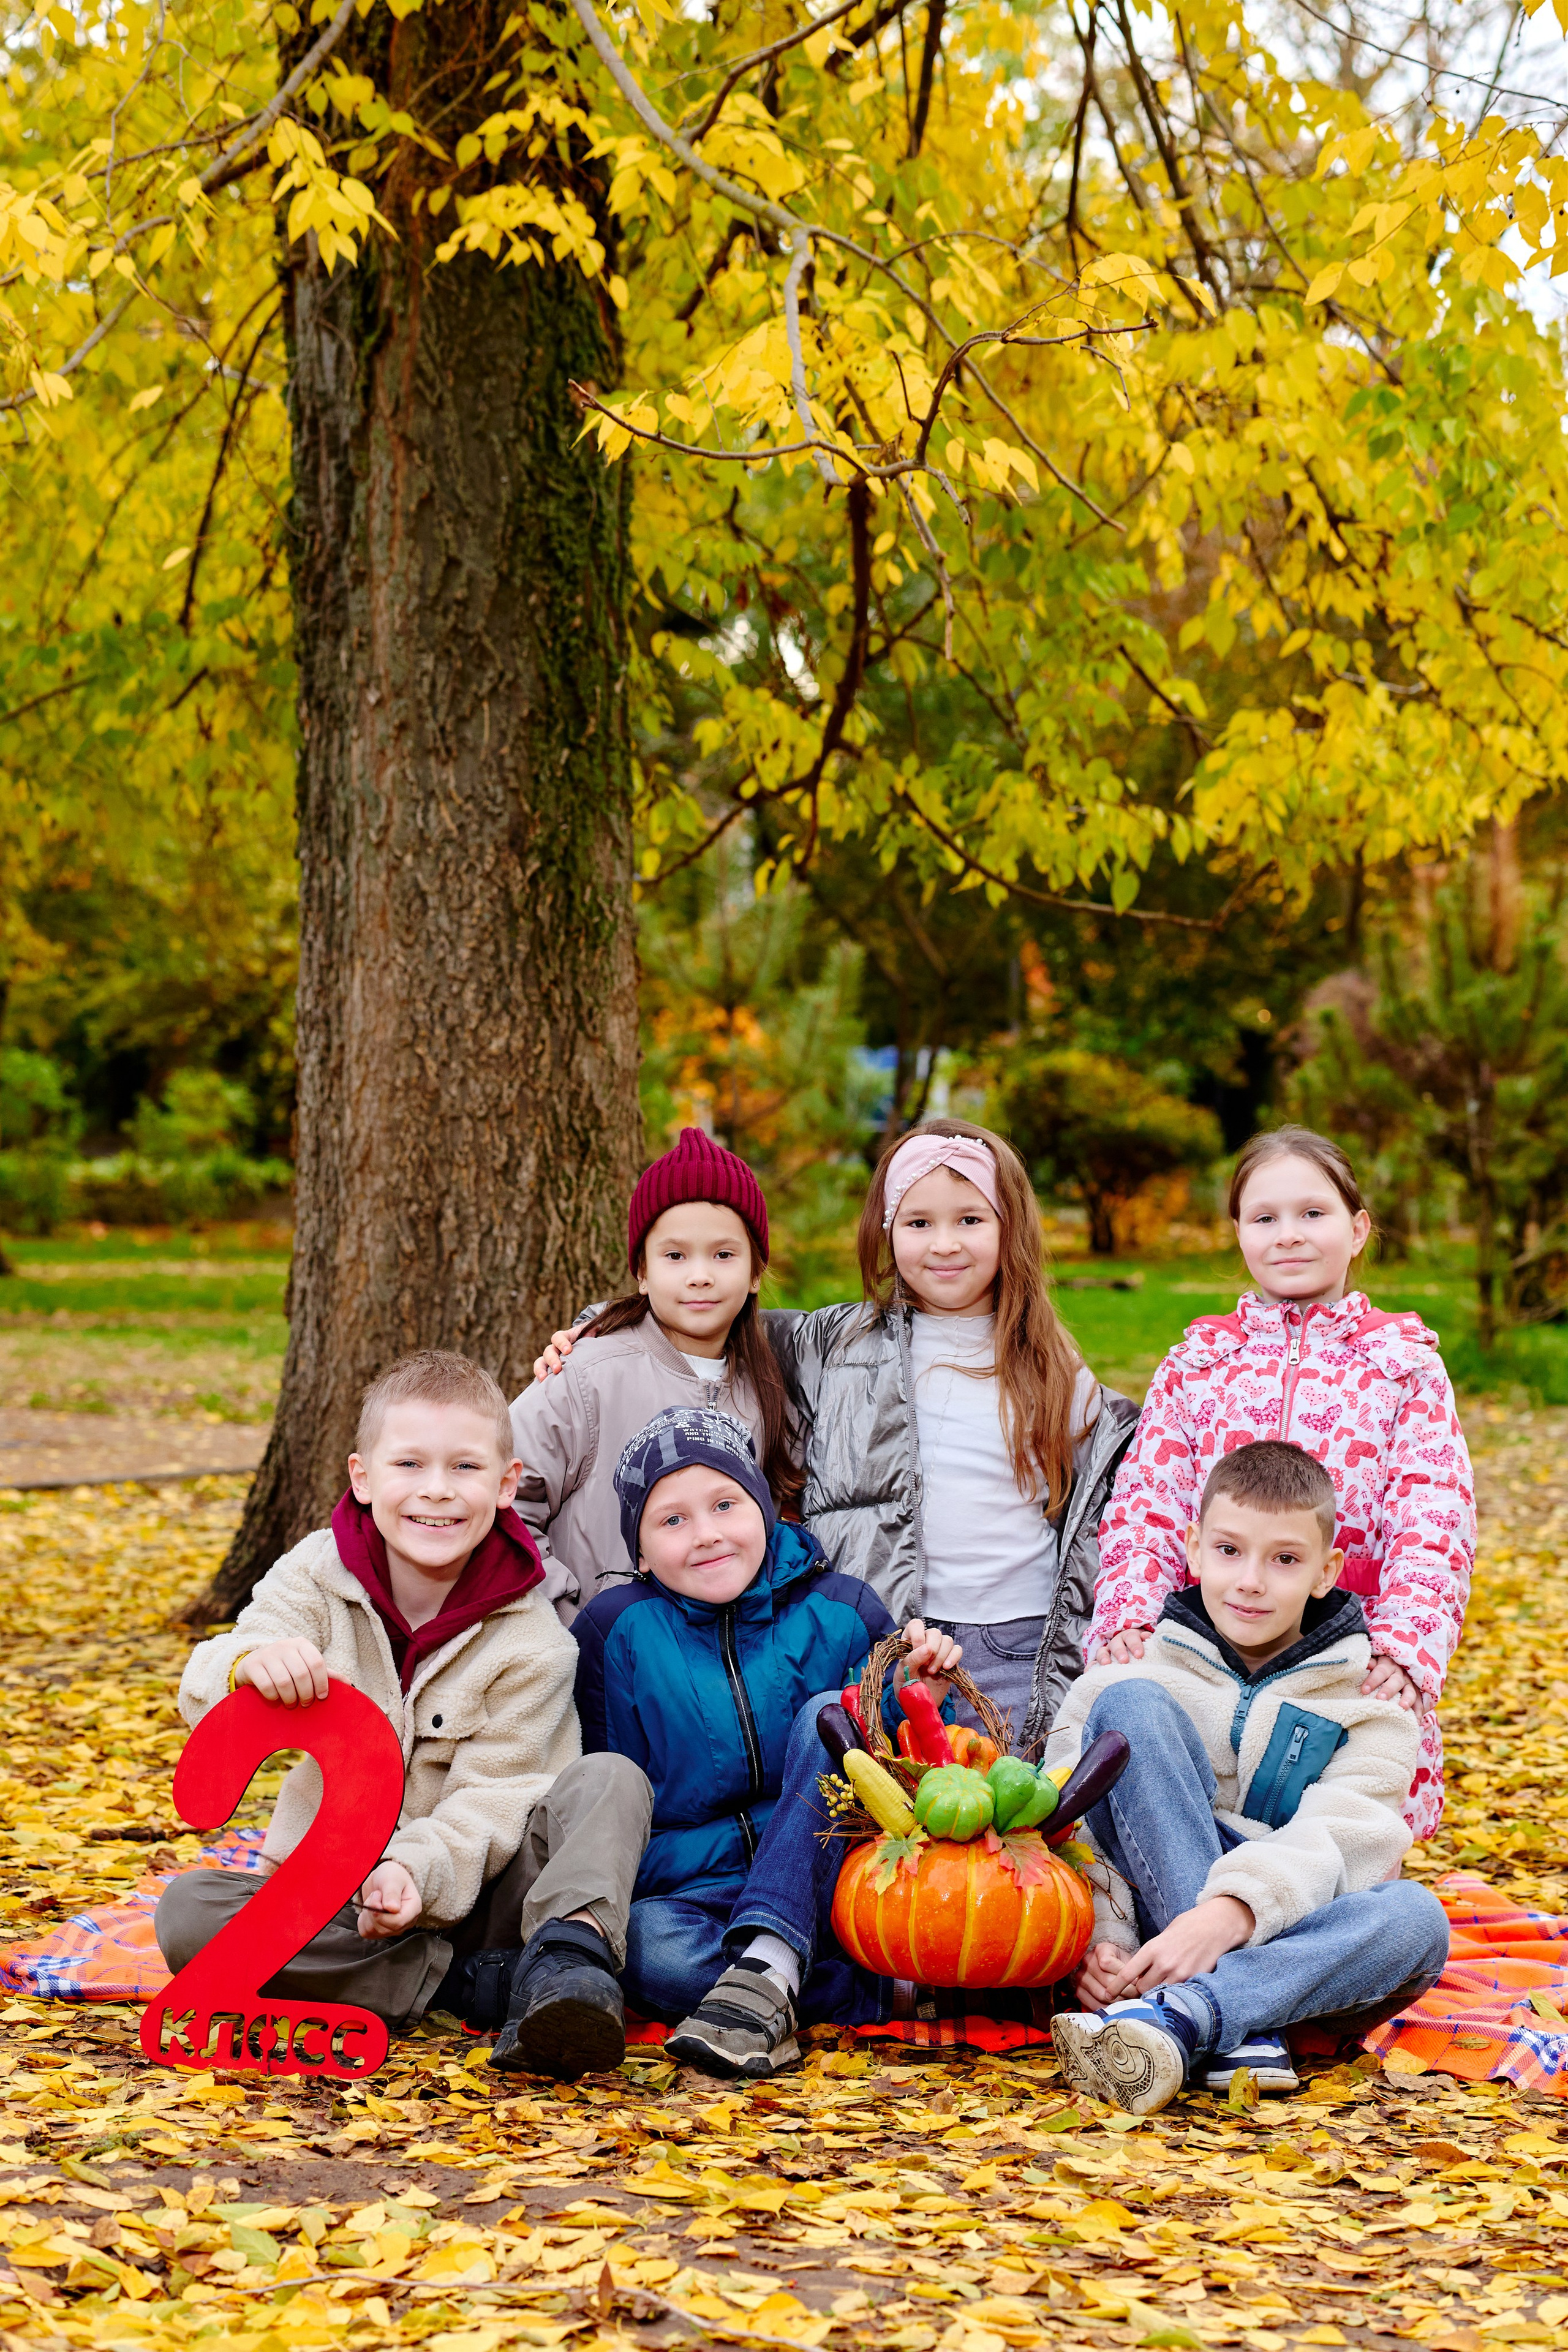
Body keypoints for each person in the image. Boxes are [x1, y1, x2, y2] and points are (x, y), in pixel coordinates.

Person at [540, 1118, 1137, 1749]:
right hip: (886, 1640)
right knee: (891, 1824)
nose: (943, 1244)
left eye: (969, 1220)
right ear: (886, 1231)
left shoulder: (1051, 1365)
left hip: (1019, 1638)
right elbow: (707, 1314)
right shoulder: (836, 1343)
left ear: (1008, 1227)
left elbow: (1102, 1499)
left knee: (1007, 1822)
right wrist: (596, 1327)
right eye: (917, 1223)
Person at [156, 1351, 653, 2081]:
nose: (437, 1493)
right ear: (363, 1478)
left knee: (609, 1780)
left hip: (485, 1895)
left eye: (464, 1468)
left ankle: (562, 1967)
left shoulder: (533, 1636)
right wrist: (247, 1667)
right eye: (410, 1465)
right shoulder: (316, 1573)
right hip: (332, 1898)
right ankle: (471, 1986)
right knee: (190, 1913)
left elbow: (500, 1794)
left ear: (507, 1485)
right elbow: (225, 1661)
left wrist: (417, 1870)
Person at [1090, 1124, 1475, 1838]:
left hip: (1345, 1650)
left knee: (1331, 1830)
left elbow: (1434, 1518)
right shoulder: (1199, 1365)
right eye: (1264, 1218)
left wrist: (1404, 1647)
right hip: (1212, 1634)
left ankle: (1327, 1921)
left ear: (1357, 1229)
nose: (1288, 1235)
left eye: (1313, 1214)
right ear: (1237, 1232)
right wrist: (1131, 1615)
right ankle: (1198, 1911)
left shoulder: (1401, 1366)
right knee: (1201, 1817)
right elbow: (1147, 1501)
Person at [1048, 1439, 1450, 2114]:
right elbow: (1064, 1822)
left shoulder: (1372, 1709)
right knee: (1132, 1712)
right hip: (1151, 1933)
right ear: (1194, 1547)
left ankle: (1189, 2014)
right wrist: (1101, 1944)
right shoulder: (1122, 1677)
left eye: (1284, 1560)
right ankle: (1227, 2025)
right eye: (1229, 1551)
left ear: (1326, 1572)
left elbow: (1344, 1839)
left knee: (1417, 1919)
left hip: (1292, 1943)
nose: (1251, 1581)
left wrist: (1227, 1915)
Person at [571, 1404, 961, 2078]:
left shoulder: (842, 1609)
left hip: (830, 1880)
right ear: (638, 1550)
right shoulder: (616, 1631)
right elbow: (616, 1797)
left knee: (825, 1715)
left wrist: (915, 1698)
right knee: (647, 1951)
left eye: (725, 1504)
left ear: (765, 1506)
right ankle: (826, 1985)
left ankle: (768, 1970)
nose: (706, 1535)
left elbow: (893, 1775)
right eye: (671, 1520)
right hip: (696, 1892)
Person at [510, 1126, 799, 1621]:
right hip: (591, 1667)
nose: (700, 1274)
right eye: (675, 1255)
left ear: (755, 1273)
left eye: (724, 1255)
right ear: (642, 1272)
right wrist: (567, 1616)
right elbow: (501, 1498)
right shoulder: (587, 1375)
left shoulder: (770, 1390)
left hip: (712, 1677)